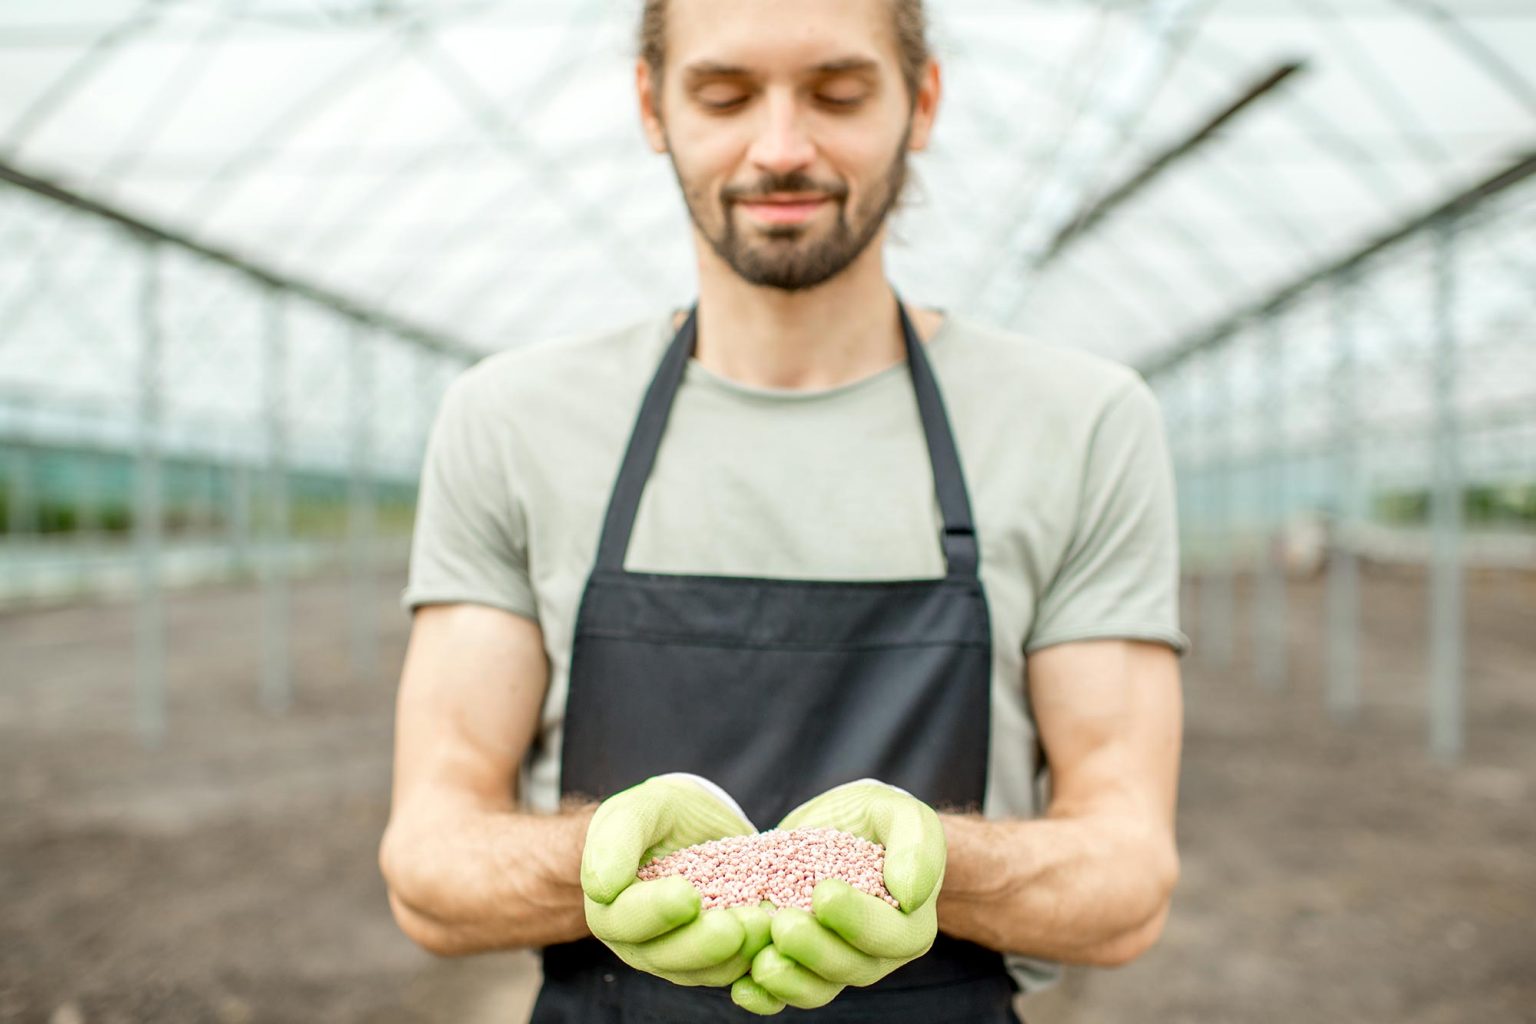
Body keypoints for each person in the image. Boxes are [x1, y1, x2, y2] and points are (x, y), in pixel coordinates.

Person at [380, 0, 1187, 1020]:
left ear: (921, 100)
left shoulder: (1078, 423)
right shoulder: (513, 421)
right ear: (652, 105)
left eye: (838, 94)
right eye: (722, 95)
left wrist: (937, 863)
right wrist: (599, 858)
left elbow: (1126, 875)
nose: (781, 147)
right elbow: (429, 862)